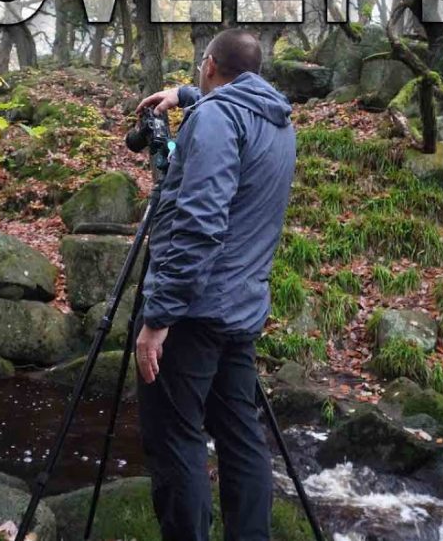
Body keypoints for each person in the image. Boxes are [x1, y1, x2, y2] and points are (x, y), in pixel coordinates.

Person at [132, 28, 297, 541]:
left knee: (176, 436)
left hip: (194, 310)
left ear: (209, 64)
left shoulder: (215, 117)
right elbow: (230, 117)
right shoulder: (278, 121)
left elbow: (200, 223)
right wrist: (182, 96)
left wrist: (158, 318)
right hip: (243, 309)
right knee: (240, 437)